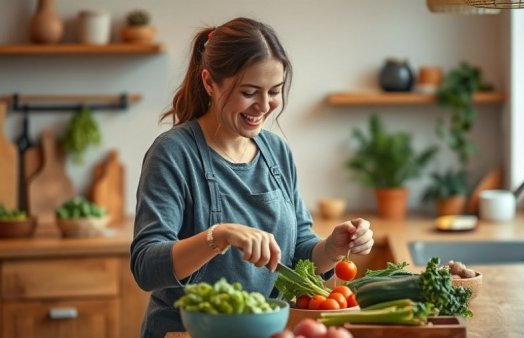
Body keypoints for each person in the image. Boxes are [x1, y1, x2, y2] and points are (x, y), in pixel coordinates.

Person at [130, 17, 374, 338]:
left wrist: (332, 247)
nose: (263, 106)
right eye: (249, 92)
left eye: (274, 91)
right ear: (209, 82)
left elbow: (300, 249)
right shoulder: (173, 153)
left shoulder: (276, 151)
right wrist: (218, 236)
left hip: (267, 331)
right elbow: (146, 266)